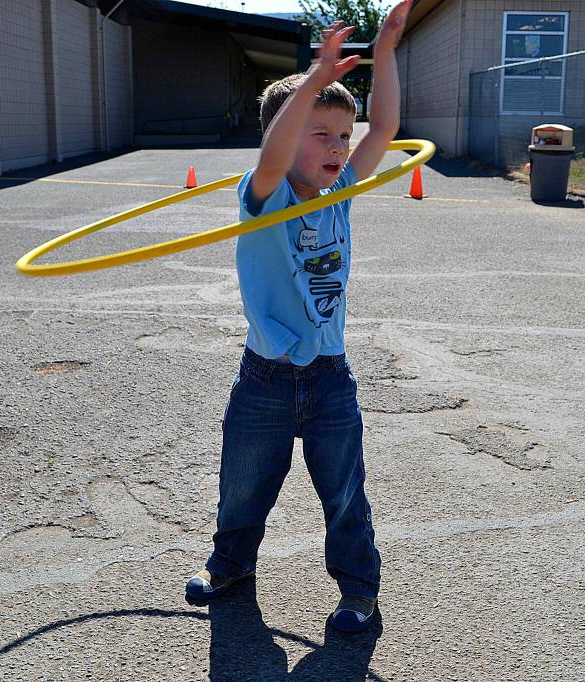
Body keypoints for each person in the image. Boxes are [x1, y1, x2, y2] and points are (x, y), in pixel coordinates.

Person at [186, 0, 412, 633]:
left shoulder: (342, 190)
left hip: (330, 377)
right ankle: (229, 569)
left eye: (342, 135)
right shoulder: (263, 195)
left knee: (345, 497)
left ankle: (359, 594)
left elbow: (386, 129)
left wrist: (387, 55)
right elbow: (273, 156)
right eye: (322, 134)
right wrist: (313, 80)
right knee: (243, 488)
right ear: (284, 140)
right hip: (264, 378)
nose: (339, 147)